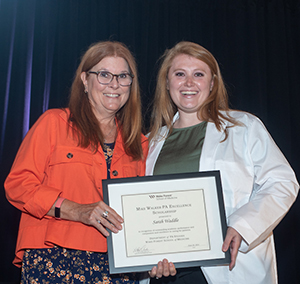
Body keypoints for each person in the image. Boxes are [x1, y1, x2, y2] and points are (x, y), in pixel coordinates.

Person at [143, 41, 299, 284]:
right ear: (166, 82)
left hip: (230, 268)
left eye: (199, 75)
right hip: (170, 273)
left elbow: (282, 182)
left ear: (212, 83)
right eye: (180, 74)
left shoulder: (244, 127)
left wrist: (242, 226)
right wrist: (146, 255)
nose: (189, 83)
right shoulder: (150, 142)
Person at [4, 41, 148, 283]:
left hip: (119, 265)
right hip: (53, 257)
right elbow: (18, 185)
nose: (114, 84)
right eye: (104, 75)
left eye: (123, 76)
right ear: (85, 79)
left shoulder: (140, 144)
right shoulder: (54, 123)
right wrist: (76, 210)